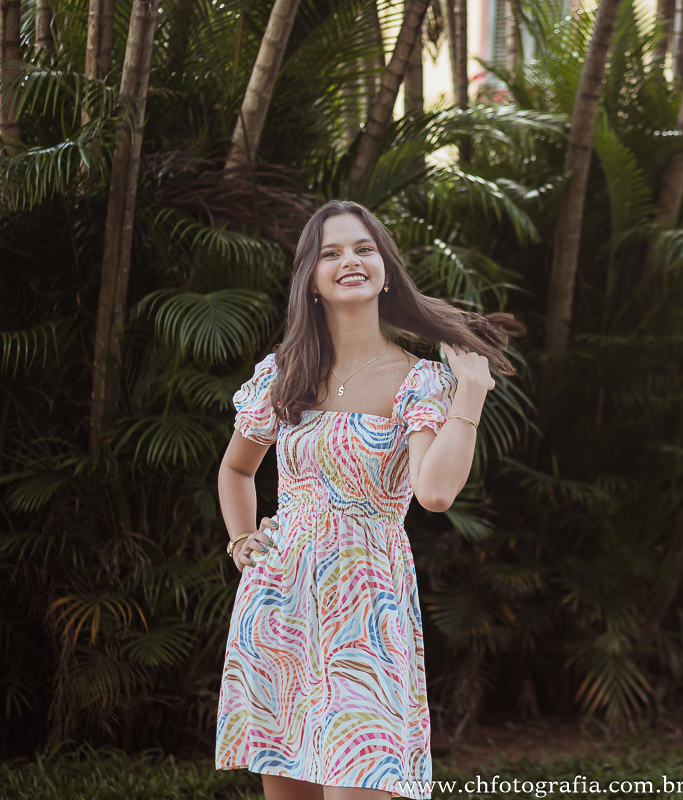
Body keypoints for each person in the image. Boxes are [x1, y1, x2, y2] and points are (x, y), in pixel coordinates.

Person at [214, 199, 524, 800]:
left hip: (365, 611)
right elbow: (235, 469)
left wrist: (472, 394)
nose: (349, 260)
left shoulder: (420, 380)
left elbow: (434, 493)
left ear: (386, 270)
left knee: (364, 782)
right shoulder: (284, 376)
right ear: (310, 280)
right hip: (280, 607)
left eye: (363, 248)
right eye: (330, 253)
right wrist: (240, 539)